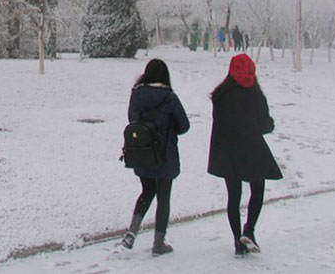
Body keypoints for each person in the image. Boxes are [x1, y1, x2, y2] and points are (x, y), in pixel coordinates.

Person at [207, 54, 282, 257]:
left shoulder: (220, 95)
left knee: (234, 196)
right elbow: (265, 125)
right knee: (257, 190)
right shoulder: (256, 95)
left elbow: (220, 124)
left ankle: (237, 242)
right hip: (252, 150)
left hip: (228, 151)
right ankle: (249, 231)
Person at [121, 59, 190, 255]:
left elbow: (132, 119)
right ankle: (159, 244)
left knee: (146, 191)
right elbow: (184, 126)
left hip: (142, 153)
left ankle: (132, 232)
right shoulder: (169, 97)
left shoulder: (136, 95)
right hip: (164, 155)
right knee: (164, 197)